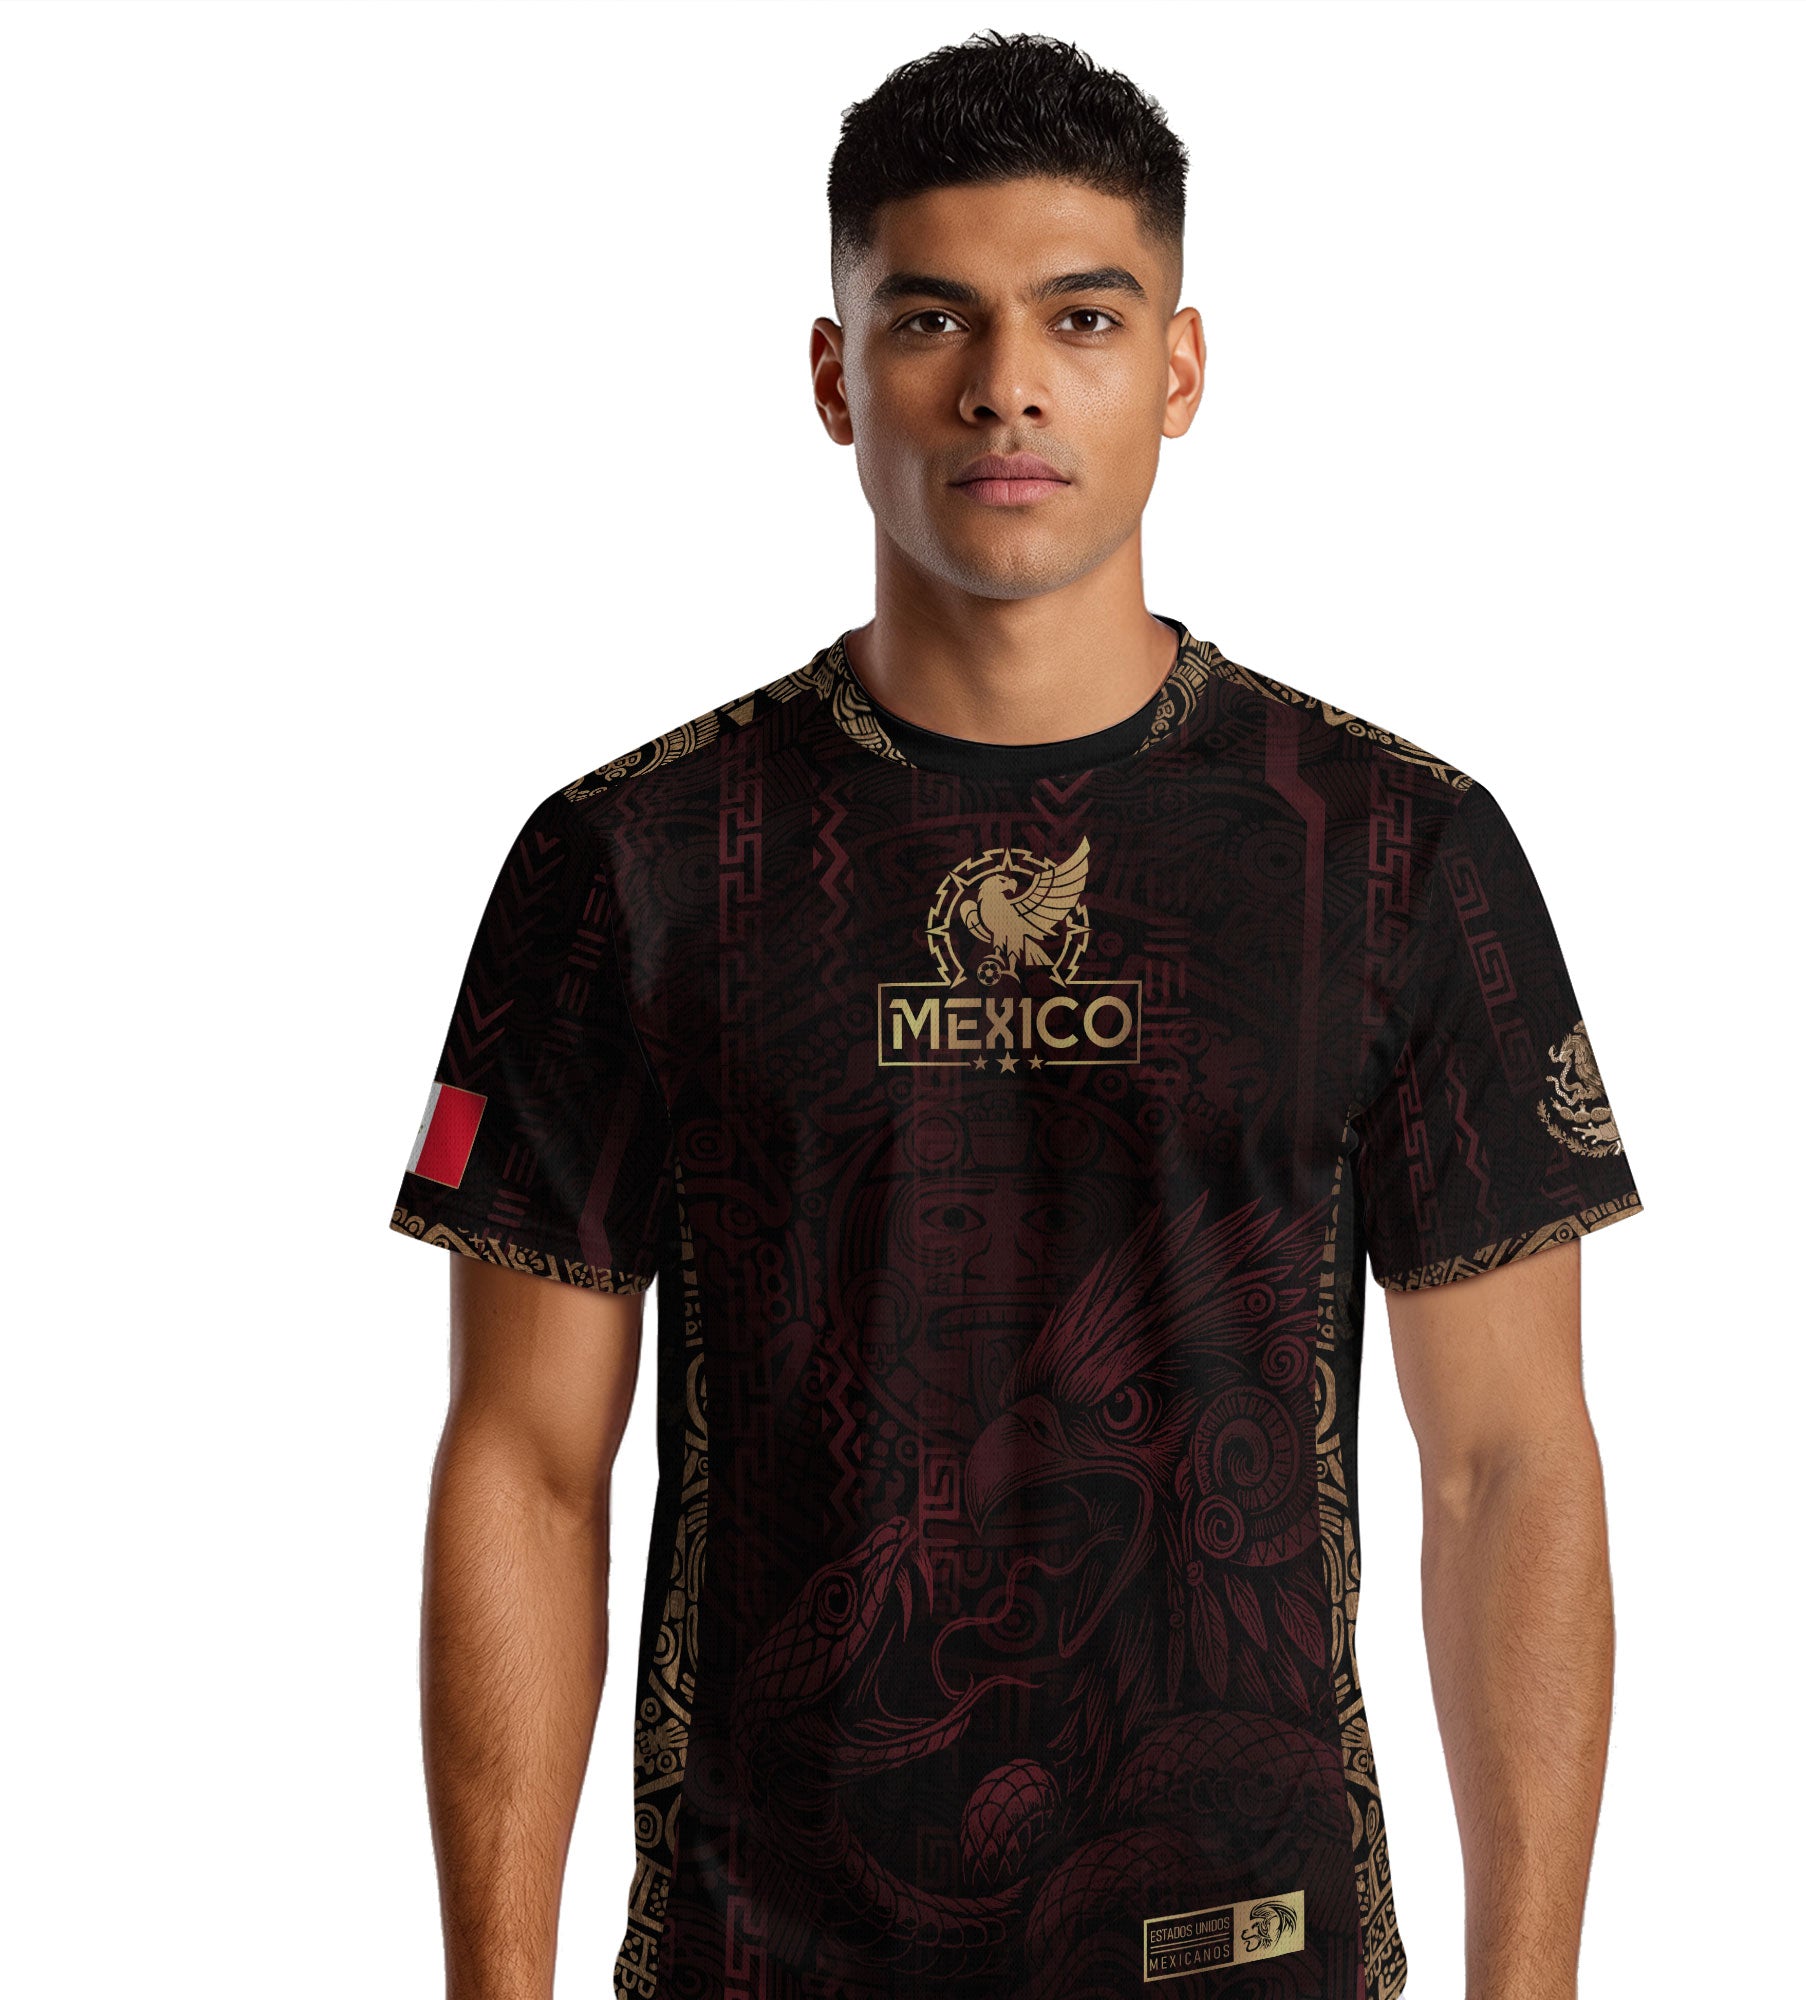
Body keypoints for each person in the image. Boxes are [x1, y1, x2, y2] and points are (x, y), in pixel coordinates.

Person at [388, 29, 1642, 2000]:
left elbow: (1507, 1466)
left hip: (1249, 1951)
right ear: (834, 376)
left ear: (1179, 369)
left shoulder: (1394, 852)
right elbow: (526, 1468)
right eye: (931, 319)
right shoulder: (630, 862)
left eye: (1081, 316)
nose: (1005, 385)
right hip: (763, 1957)